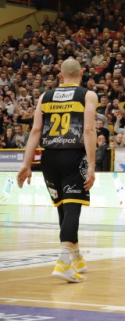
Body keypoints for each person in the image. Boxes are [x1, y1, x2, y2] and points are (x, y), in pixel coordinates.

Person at [16, 58, 97, 283]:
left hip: (49, 157)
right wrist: (91, 165)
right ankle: (62, 261)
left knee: (63, 207)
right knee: (72, 209)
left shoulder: (45, 96)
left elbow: (35, 131)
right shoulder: (87, 95)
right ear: (82, 74)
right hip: (74, 154)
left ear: (60, 76)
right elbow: (89, 129)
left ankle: (76, 256)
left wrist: (26, 163)